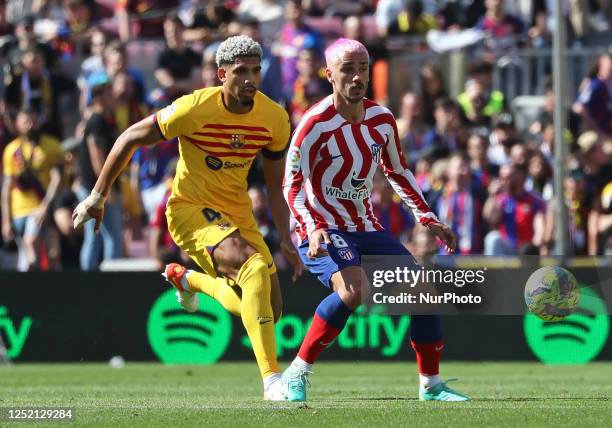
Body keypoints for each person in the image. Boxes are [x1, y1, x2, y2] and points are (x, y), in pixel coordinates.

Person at [72, 35, 303, 401]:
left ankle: (189, 281)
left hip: (238, 214)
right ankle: (272, 381)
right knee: (254, 268)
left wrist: (287, 235)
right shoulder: (193, 108)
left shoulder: (274, 117)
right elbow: (130, 137)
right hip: (189, 210)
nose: (250, 79)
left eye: (256, 71)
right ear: (220, 74)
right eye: (240, 71)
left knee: (268, 310)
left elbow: (275, 186)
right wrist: (98, 196)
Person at [280, 38, 469, 402]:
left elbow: (398, 172)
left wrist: (428, 217)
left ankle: (431, 386)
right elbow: (292, 182)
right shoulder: (313, 124)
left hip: (364, 226)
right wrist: (312, 224)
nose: (356, 76)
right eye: (347, 69)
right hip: (321, 226)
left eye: (362, 68)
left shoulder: (381, 119)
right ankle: (296, 373)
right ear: (329, 74)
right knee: (353, 291)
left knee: (423, 292)